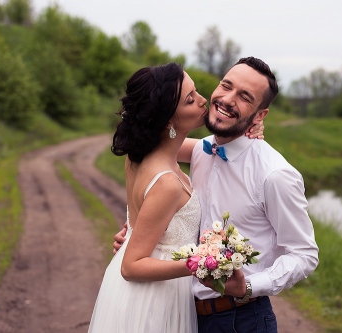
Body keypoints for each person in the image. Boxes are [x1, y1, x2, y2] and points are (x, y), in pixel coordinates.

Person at [114, 57, 319, 333]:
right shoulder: (202, 149)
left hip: (239, 318)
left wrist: (247, 285)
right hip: (181, 312)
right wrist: (136, 236)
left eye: (245, 97)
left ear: (260, 115)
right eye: (226, 85)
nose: (228, 99)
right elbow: (149, 145)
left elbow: (304, 254)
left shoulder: (275, 175)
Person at [87, 62, 206, 333]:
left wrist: (250, 135)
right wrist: (199, 263)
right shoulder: (167, 183)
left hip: (131, 291)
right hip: (154, 297)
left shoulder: (139, 154)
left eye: (196, 92)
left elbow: (211, 149)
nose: (203, 101)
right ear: (168, 121)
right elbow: (132, 265)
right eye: (190, 100)